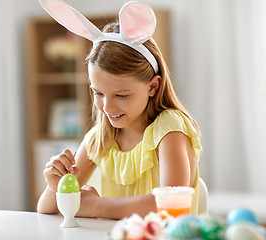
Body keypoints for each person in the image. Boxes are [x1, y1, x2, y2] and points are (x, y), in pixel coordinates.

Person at [37, 0, 202, 219]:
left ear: (152, 86)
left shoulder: (169, 129)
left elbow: (170, 204)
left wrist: (97, 206)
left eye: (121, 95)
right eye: (98, 93)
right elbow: (46, 209)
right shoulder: (99, 139)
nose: (107, 107)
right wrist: (55, 186)